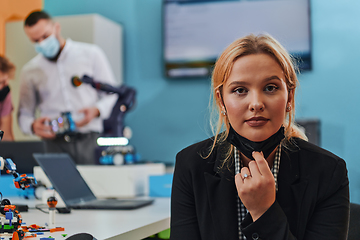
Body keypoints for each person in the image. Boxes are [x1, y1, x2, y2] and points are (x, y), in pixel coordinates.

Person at [170, 34, 349, 240]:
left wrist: (264, 211)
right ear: (221, 101)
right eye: (240, 90)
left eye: (270, 88)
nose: (256, 103)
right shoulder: (191, 165)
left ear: (289, 96)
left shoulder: (328, 171)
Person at [18, 10, 118, 164]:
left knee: (94, 186)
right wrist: (32, 126)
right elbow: (24, 115)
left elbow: (112, 94)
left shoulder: (91, 54)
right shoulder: (29, 71)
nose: (42, 43)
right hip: (53, 144)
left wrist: (96, 111)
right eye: (35, 40)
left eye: (45, 36)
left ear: (56, 28)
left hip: (90, 140)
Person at [0, 56, 15, 141]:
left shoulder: (4, 93)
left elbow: (7, 136)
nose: (6, 84)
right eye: (1, 82)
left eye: (6, 80)